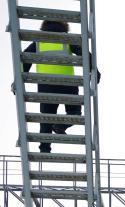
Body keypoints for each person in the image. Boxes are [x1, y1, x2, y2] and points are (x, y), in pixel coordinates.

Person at [21, 21, 83, 154]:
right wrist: (94, 71)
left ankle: (44, 149)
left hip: (45, 85)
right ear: (64, 26)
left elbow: (25, 58)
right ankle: (60, 125)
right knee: (75, 113)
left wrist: (19, 80)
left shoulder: (39, 42)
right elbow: (84, 54)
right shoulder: (67, 39)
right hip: (68, 84)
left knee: (46, 119)